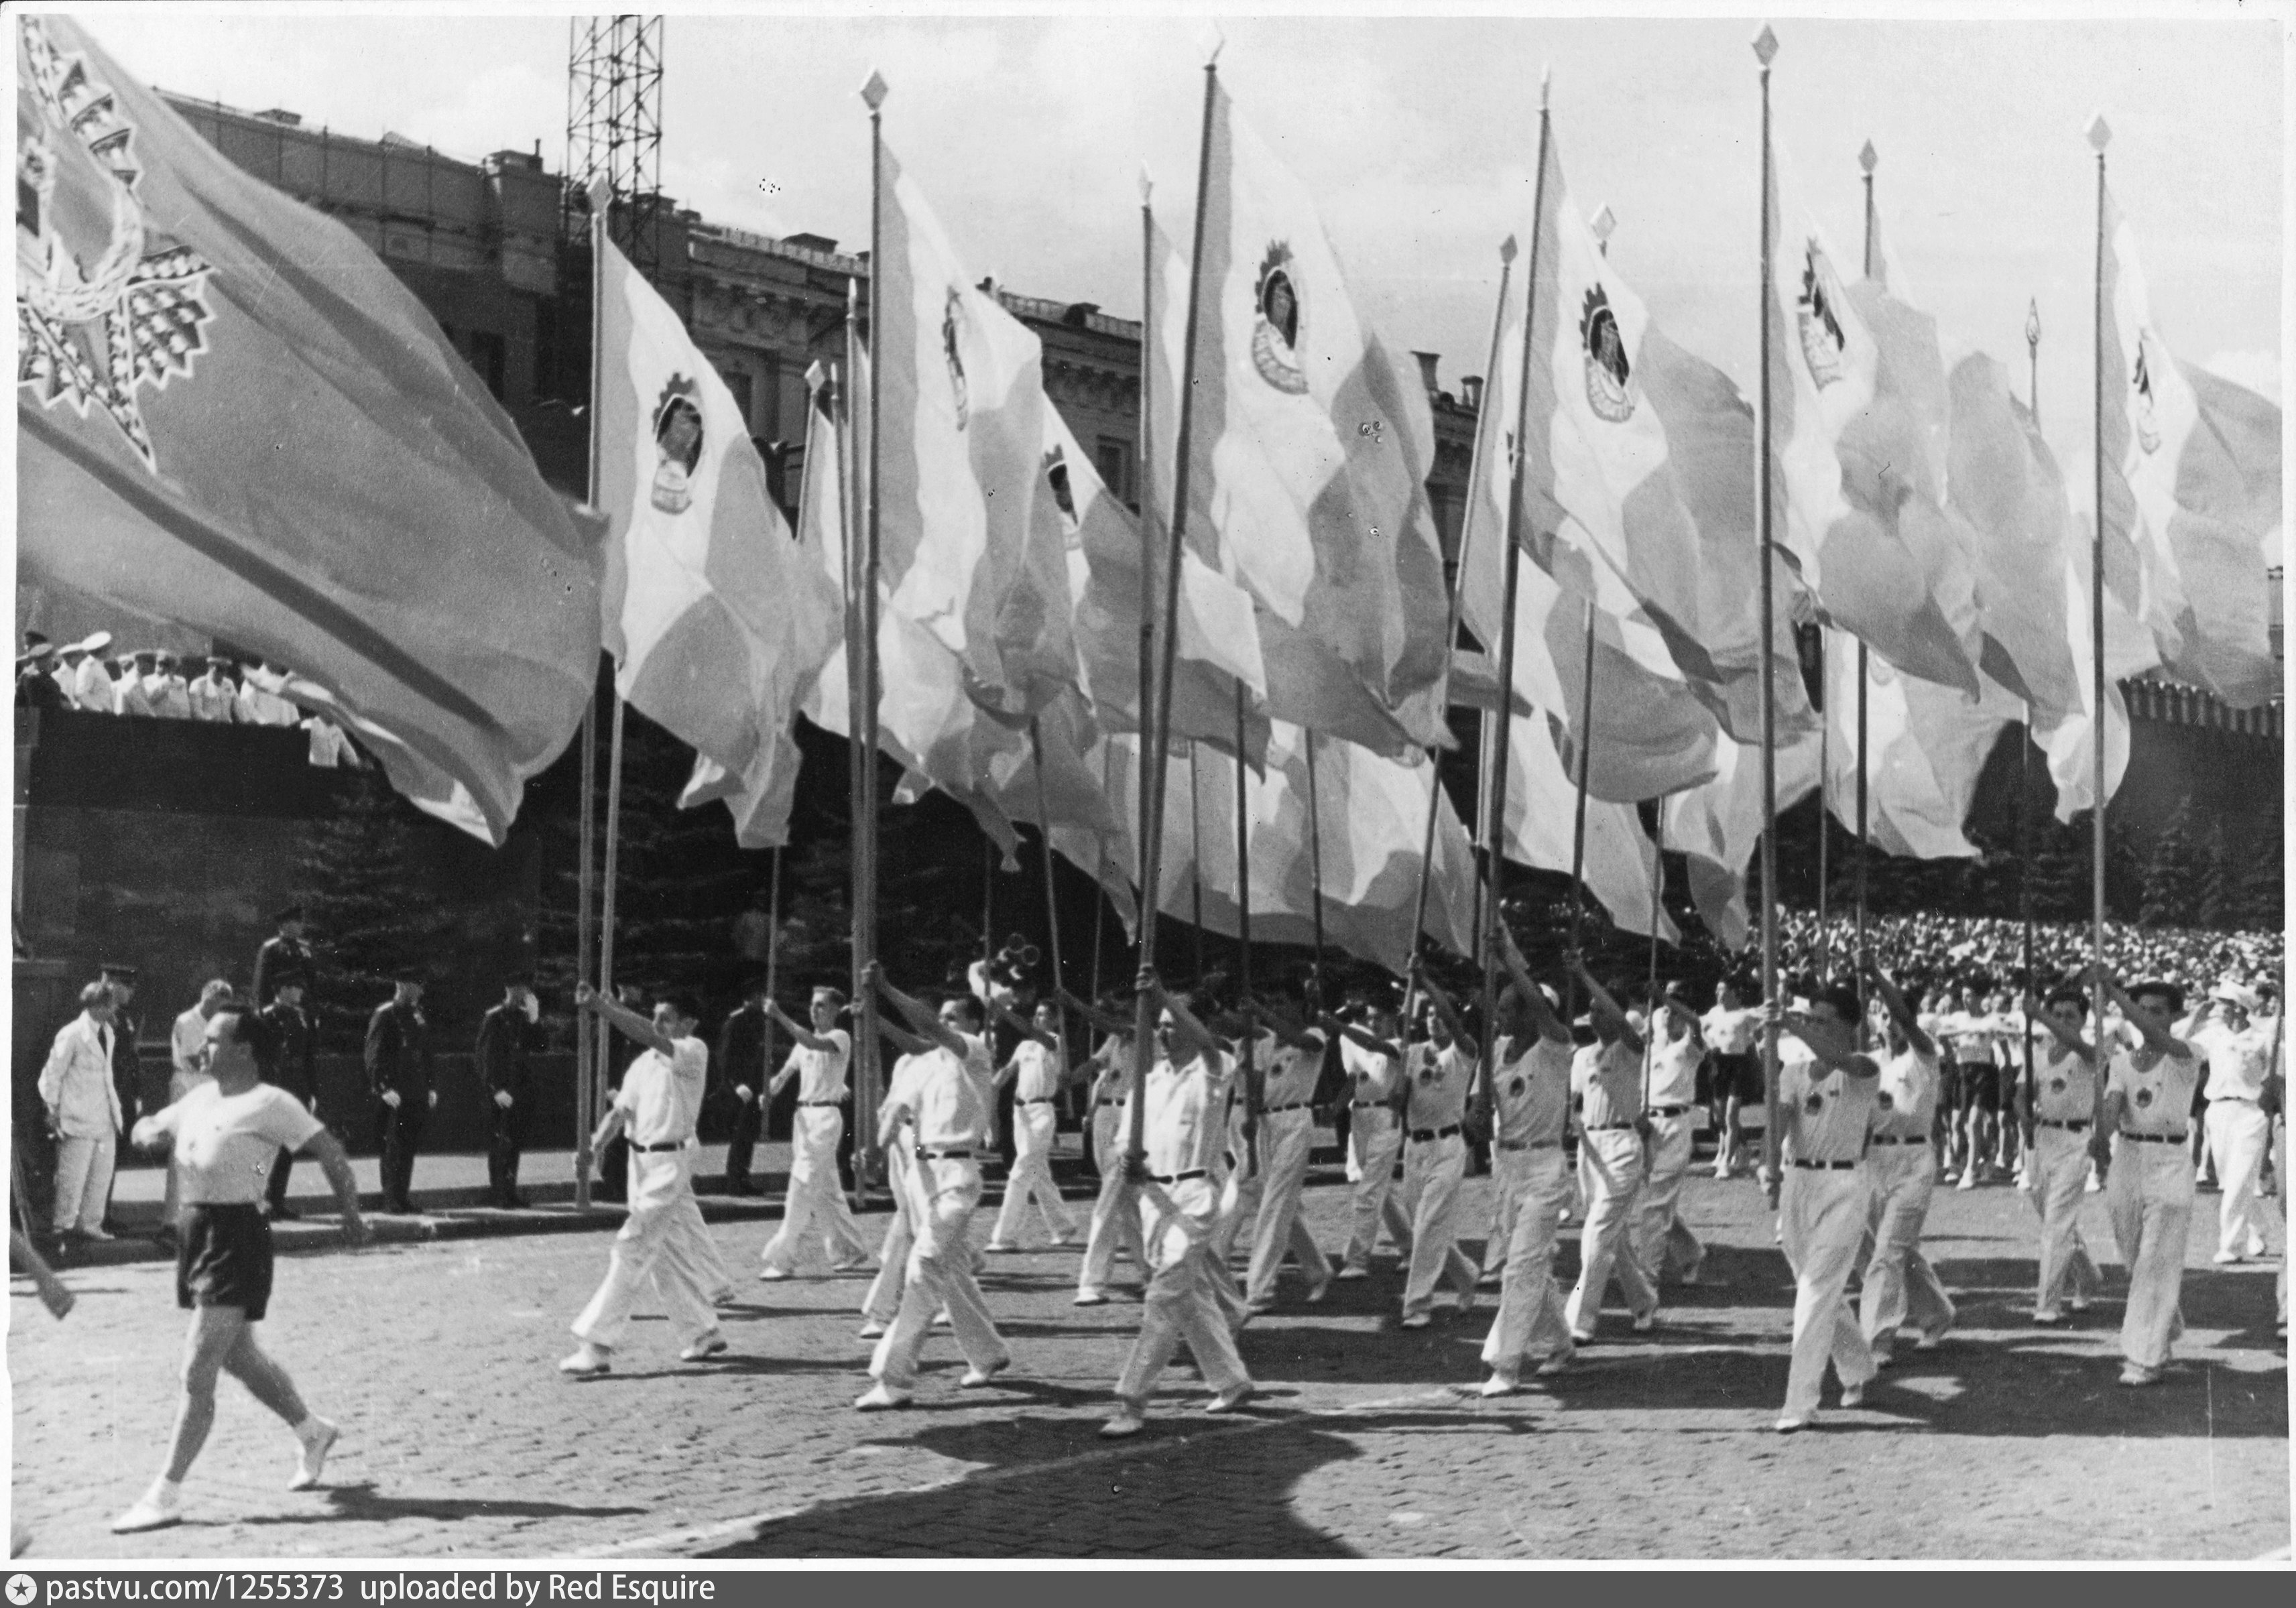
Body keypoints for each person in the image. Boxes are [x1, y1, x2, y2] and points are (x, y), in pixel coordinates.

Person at [109, 1001, 367, 1534]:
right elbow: (153, 1121)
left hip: (237, 1237)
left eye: (214, 1040)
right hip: (195, 1231)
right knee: (240, 1355)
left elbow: (332, 1152)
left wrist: (351, 1216)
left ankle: (165, 1493)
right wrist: (145, 1129)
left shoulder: (273, 1102)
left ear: (245, 1050)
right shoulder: (201, 1095)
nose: (203, 1046)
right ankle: (312, 1429)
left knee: (198, 1367)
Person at [1100, 981, 1254, 1439]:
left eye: (1172, 1025)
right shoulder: (1147, 1083)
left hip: (1194, 1195)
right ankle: (1230, 1378)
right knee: (1187, 1296)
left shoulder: (1215, 1068)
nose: (1164, 1034)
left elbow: (1207, 1044)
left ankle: (1131, 1399)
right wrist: (1127, 1160)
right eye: (1160, 1027)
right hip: (1154, 1200)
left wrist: (1162, 993)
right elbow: (1123, 1144)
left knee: (1163, 1296)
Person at [853, 967, 1012, 1411]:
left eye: (954, 1017)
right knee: (953, 1271)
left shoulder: (976, 1053)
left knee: (923, 1266)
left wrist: (885, 988)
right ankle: (988, 1352)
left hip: (958, 1177)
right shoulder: (923, 1066)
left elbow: (926, 1026)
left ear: (974, 1025)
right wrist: (874, 1150)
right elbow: (897, 1113)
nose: (946, 1023)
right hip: (923, 1176)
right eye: (945, 1017)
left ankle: (893, 1376)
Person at [558, 987, 729, 1377]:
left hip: (672, 1160)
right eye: (654, 1015)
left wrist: (603, 1006)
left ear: (688, 1024)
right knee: (666, 1254)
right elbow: (620, 1113)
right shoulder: (641, 1065)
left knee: (631, 1246)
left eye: (666, 1017)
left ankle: (596, 1345)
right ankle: (703, 1331)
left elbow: (646, 1034)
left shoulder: (693, 1051)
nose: (657, 1025)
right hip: (641, 1165)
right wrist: (593, 1148)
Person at [1768, 983, 1883, 1433]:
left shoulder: (1865, 1067)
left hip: (1843, 1184)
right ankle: (1857, 1367)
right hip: (1798, 1181)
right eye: (1809, 1017)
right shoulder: (1793, 1070)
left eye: (1822, 1019)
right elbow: (1782, 1119)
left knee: (1814, 1291)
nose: (1812, 1025)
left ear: (1847, 1025)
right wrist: (1766, 1165)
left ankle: (1799, 1402)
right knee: (1816, 1288)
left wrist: (1790, 1022)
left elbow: (1838, 1059)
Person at [1479, 928, 1580, 1394]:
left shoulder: (1553, 1048)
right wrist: (1475, 1116)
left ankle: (1506, 1363)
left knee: (1519, 1264)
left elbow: (1540, 1010)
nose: (1497, 1018)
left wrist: (1506, 959)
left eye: (1505, 1010)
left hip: (1544, 1170)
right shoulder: (1495, 1055)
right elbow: (1478, 1118)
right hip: (1507, 1169)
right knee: (1526, 1264)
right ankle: (1559, 1340)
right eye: (1496, 1010)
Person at [2092, 969, 2201, 1387]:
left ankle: (2143, 1356)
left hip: (2171, 1158)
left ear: (2175, 1015)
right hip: (2129, 1157)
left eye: (2158, 1011)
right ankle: (2164, 1324)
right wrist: (2100, 1135)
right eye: (2144, 1010)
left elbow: (2159, 1038)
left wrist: (2114, 992)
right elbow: (2113, 1107)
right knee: (2134, 1256)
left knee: (2155, 1260)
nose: (2150, 1018)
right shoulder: (2121, 1061)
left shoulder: (2187, 1053)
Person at [1858, 962, 1955, 1365]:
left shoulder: (1925, 1052)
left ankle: (1878, 1338)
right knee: (1891, 1249)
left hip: (1914, 1158)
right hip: (1874, 1159)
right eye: (1882, 1016)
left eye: (1894, 1015)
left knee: (1888, 1251)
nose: (1889, 1023)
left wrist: (1879, 978)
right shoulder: (1868, 1062)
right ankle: (1937, 1315)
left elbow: (1903, 1017)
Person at [1563, 962, 1659, 1343]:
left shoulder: (1631, 1048)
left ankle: (1578, 1321)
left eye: (1601, 1008)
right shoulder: (1582, 1056)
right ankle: (1644, 1301)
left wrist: (1586, 973)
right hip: (1590, 1150)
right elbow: (1573, 1102)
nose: (1594, 1014)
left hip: (1622, 1146)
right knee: (1612, 1238)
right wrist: (1568, 1125)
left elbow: (1622, 1024)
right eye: (1591, 1008)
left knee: (1597, 1232)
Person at [758, 985, 873, 1278]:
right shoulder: (802, 1045)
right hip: (803, 1119)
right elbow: (785, 1074)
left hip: (825, 1118)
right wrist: (771, 1090)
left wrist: (778, 1015)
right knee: (826, 1189)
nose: (815, 1010)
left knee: (802, 1184)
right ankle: (850, 1249)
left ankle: (782, 1259)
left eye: (822, 1005)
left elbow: (811, 1042)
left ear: (836, 1010)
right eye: (813, 1005)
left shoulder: (839, 1037)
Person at [1394, 965, 1482, 1328]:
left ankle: (1417, 1304)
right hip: (1415, 1148)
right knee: (1426, 1228)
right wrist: (1398, 1088)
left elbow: (1456, 1025)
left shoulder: (1464, 1051)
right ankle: (1466, 1276)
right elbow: (1397, 1103)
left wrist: (1426, 980)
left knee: (1429, 1223)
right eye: (1429, 1015)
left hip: (1448, 1145)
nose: (1435, 1020)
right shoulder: (1410, 1053)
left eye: (1440, 1014)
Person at [1240, 981, 1334, 1312]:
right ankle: (1318, 1269)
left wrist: (1262, 1013)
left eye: (1282, 1003)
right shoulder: (1266, 1044)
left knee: (1275, 1205)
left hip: (1296, 1121)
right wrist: (1250, 1115)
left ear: (1296, 1006)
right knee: (1284, 1207)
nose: (1277, 1009)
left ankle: (1259, 1290)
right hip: (1266, 1125)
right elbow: (1256, 1082)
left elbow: (1305, 1041)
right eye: (1272, 1004)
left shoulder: (1315, 1034)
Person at [1059, 988, 1148, 1307]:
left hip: (1131, 1116)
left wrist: (1073, 1003)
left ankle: (1092, 1282)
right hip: (1104, 1117)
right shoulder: (1115, 1040)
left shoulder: (1143, 1033)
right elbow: (1096, 1065)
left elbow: (1111, 1024)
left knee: (1109, 1199)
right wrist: (1071, 1079)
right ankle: (1150, 1273)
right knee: (1125, 1203)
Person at [2021, 983, 2103, 1324]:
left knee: (2056, 1224)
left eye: (2071, 1015)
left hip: (2076, 1140)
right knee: (2055, 1220)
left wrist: (2039, 1014)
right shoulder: (2038, 1050)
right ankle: (2088, 1276)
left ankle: (2048, 1304)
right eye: (2057, 1015)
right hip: (2042, 1140)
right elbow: (2022, 1091)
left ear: (2085, 1019)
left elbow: (2077, 1045)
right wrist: (2022, 1112)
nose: (2063, 1021)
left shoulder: (2092, 1050)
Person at [985, 995, 1082, 1252]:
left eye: (1044, 1015)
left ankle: (1004, 1236)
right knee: (1039, 1174)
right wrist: (987, 1086)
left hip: (1042, 1112)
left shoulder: (1054, 1043)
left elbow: (1032, 1032)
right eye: (1036, 1014)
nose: (1038, 1019)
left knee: (1020, 1172)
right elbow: (1005, 1074)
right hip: (1021, 1115)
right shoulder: (1025, 1046)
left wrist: (1003, 1013)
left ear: (1055, 1020)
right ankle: (1063, 1226)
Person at [1327, 997, 1413, 1279]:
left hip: (1386, 1120)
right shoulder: (1359, 1046)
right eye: (1370, 1018)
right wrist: (1335, 1108)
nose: (1374, 1023)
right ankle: (1411, 1247)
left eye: (1379, 1018)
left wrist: (1339, 1026)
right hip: (1360, 1120)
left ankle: (1357, 1259)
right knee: (1381, 1192)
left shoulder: (1400, 1046)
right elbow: (1354, 1081)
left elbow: (1375, 1046)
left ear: (1392, 1019)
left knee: (1368, 1191)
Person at [2189, 982, 2275, 1264]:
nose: (2218, 1007)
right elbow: (2181, 1045)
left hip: (2251, 1112)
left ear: (2239, 1008)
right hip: (2218, 1110)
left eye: (2224, 1002)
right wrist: (2196, 1018)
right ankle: (2258, 1230)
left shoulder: (2262, 1038)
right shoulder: (2213, 1034)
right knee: (2232, 1181)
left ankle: (2231, 1246)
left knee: (2239, 1180)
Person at [39, 981, 126, 1243]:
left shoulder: (108, 1032)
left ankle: (90, 1224)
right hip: (77, 1115)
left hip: (105, 1114)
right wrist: (51, 1108)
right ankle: (62, 1226)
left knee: (101, 1174)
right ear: (98, 1006)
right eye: (111, 1004)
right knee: (72, 1176)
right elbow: (53, 1073)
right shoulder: (72, 1033)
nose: (115, 1009)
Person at [1634, 982, 1707, 1290]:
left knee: (1655, 1205)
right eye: (1663, 1009)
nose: (1667, 1013)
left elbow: (1696, 1023)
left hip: (1676, 1125)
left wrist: (1665, 998)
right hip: (1648, 1126)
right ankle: (1691, 1253)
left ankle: (1647, 1274)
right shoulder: (1650, 1049)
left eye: (1673, 1008)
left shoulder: (1691, 1048)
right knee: (1655, 1200)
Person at [160, 981, 234, 1246]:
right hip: (188, 1088)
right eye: (221, 1005)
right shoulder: (188, 1021)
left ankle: (199, 1222)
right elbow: (196, 1060)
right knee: (182, 1154)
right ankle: (171, 1223)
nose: (222, 1011)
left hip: (210, 1089)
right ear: (210, 999)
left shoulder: (219, 1022)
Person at [365, 975, 434, 1216]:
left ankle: (403, 1197)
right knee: (393, 1146)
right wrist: (383, 1087)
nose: (419, 992)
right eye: (415, 986)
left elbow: (425, 1053)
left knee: (409, 1147)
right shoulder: (386, 1014)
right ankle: (391, 1198)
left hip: (415, 1089)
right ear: (402, 986)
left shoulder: (417, 1015)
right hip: (395, 1090)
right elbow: (374, 1055)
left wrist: (430, 1086)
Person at [258, 975, 320, 1221]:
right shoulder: (266, 1016)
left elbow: (309, 1056)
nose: (300, 993)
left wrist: (312, 1091)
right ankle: (261, 1201)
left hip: (296, 1086)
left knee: (287, 1148)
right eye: (296, 988)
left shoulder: (302, 1016)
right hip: (274, 1085)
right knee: (267, 1149)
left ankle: (278, 1201)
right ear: (283, 989)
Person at [475, 979, 539, 1210]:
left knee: (514, 1145)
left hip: (520, 1091)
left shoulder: (524, 1017)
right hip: (500, 1093)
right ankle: (499, 1193)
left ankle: (510, 1192)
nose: (522, 993)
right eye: (518, 989)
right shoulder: (494, 1017)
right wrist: (495, 1089)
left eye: (524, 989)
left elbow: (541, 1046)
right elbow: (485, 1058)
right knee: (500, 1144)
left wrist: (534, 1020)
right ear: (508, 990)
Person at [712, 978, 772, 1196]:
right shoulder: (736, 1021)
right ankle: (735, 1180)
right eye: (759, 996)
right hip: (740, 1088)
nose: (763, 999)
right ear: (750, 998)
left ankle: (743, 1176)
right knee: (740, 1135)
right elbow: (724, 1057)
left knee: (749, 1134)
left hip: (754, 1086)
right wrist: (737, 1084)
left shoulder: (761, 1020)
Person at [252, 906, 315, 1008]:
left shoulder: (305, 948)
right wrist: (262, 1009)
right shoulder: (271, 948)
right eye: (297, 922)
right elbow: (262, 983)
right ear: (285, 924)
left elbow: (312, 981)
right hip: (277, 1006)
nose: (301, 925)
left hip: (303, 1006)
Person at [188, 657, 239, 722]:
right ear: (211, 667)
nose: (222, 673)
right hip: (207, 726)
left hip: (227, 726)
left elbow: (238, 708)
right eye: (219, 669)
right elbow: (196, 711)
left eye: (224, 669)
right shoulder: (198, 684)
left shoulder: (229, 684)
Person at [147, 653, 192, 719]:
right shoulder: (148, 681)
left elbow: (184, 706)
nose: (162, 667)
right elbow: (149, 701)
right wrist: (166, 681)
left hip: (176, 721)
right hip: (156, 721)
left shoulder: (181, 682)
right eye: (160, 664)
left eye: (168, 665)